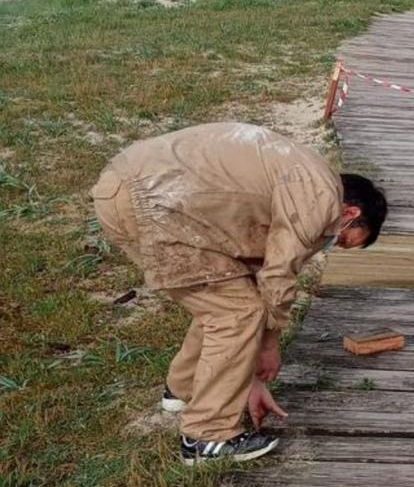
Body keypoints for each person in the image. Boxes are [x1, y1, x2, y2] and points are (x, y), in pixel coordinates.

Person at [91, 122, 388, 465]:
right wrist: (268, 347)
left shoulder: (305, 173)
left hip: (129, 185)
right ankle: (207, 437)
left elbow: (255, 273)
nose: (330, 245)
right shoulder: (321, 198)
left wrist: (250, 380)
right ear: (350, 213)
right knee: (238, 313)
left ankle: (182, 391)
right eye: (343, 240)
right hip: (155, 200)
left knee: (225, 297)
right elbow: (278, 274)